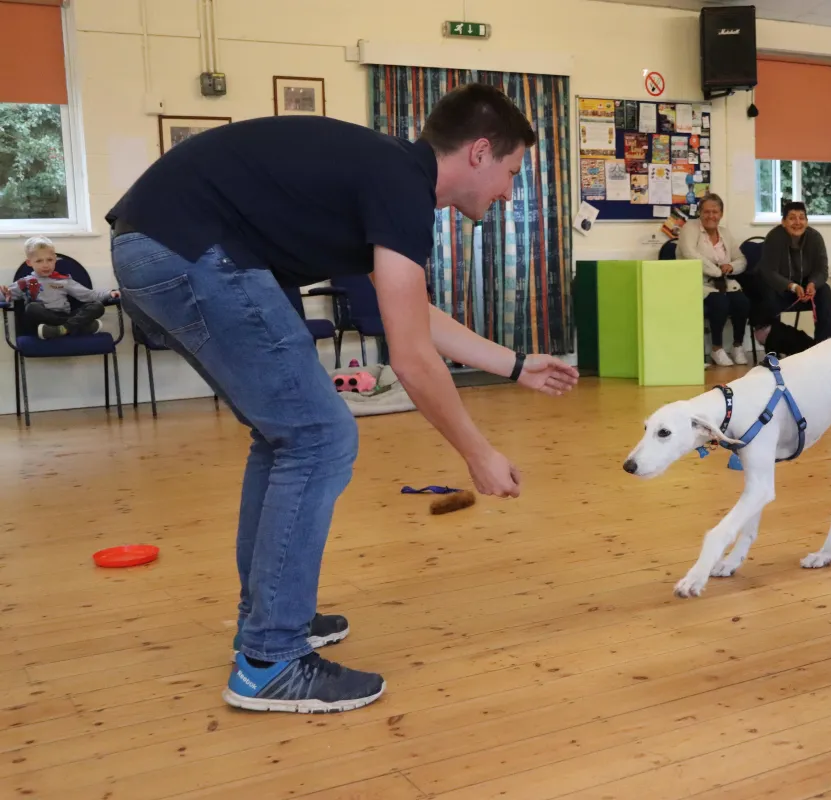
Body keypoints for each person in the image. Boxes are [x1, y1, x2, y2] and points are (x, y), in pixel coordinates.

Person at [105, 83, 579, 714]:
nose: (509, 193)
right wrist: (478, 453)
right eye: (512, 172)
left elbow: (411, 314)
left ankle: (270, 619)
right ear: (479, 152)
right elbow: (411, 358)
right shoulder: (400, 183)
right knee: (320, 437)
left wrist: (515, 365)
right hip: (189, 250)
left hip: (161, 244)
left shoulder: (383, 177)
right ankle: (270, 658)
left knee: (287, 436)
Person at [747, 201, 831, 352]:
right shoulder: (774, 237)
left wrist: (813, 284)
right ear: (783, 222)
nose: (797, 222)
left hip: (803, 291)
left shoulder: (815, 238)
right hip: (779, 290)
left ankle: (824, 346)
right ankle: (773, 347)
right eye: (792, 218)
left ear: (807, 221)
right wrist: (792, 286)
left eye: (802, 218)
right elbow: (769, 271)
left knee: (824, 291)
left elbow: (822, 270)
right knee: (767, 291)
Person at [676, 193, 749, 366]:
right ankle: (717, 348)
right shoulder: (690, 228)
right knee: (720, 302)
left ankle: (737, 346)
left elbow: (741, 259)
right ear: (700, 213)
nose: (711, 216)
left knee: (742, 302)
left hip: (723, 283)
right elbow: (689, 254)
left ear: (721, 214)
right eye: (706, 212)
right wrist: (717, 271)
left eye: (715, 212)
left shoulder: (725, 233)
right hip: (696, 283)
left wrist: (731, 267)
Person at [2, 236, 117, 339]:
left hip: (64, 315)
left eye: (49, 260)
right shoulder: (24, 282)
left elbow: (89, 295)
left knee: (97, 306)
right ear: (29, 262)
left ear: (55, 259)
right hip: (43, 321)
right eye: (39, 261)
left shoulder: (63, 280)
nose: (45, 265)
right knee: (31, 308)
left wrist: (110, 293)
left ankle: (61, 330)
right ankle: (79, 327)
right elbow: (5, 295)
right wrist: (4, 293)